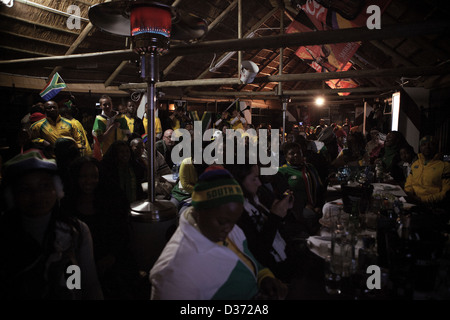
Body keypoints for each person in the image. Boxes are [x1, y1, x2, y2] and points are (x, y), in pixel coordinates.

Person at [149, 165, 288, 300]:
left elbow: (247, 258)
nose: (230, 228)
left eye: (234, 221)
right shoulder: (174, 273)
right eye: (222, 221)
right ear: (199, 211)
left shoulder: (226, 226)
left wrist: (264, 277)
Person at [0, 149, 103, 299]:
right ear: (12, 196)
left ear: (57, 189)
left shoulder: (75, 232)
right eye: (26, 189)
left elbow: (86, 284)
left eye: (44, 186)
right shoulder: (5, 237)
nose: (37, 196)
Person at [62, 156, 145, 300]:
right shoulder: (67, 204)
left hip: (112, 263)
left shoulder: (111, 200)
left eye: (94, 176)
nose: (89, 181)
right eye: (83, 176)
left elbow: (123, 234)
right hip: (75, 266)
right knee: (74, 293)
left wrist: (111, 257)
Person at [226, 162, 301, 282]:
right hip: (272, 274)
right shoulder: (237, 213)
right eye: (254, 179)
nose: (259, 183)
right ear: (238, 182)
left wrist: (284, 209)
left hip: (286, 257)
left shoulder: (256, 197)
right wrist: (275, 216)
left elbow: (278, 228)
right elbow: (260, 252)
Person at [272, 142, 325, 239]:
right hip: (297, 210)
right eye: (292, 153)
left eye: (299, 153)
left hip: (316, 206)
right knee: (310, 217)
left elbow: (320, 188)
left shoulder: (310, 168)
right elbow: (284, 197)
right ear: (286, 156)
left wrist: (318, 206)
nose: (296, 155)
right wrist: (304, 206)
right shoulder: (282, 171)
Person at [404, 135, 450, 207]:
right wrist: (408, 194)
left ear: (436, 147)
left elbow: (445, 192)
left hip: (432, 206)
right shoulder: (416, 164)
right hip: (413, 202)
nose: (427, 147)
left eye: (431, 144)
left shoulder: (444, 165)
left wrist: (422, 199)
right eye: (423, 144)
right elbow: (409, 183)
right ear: (420, 147)